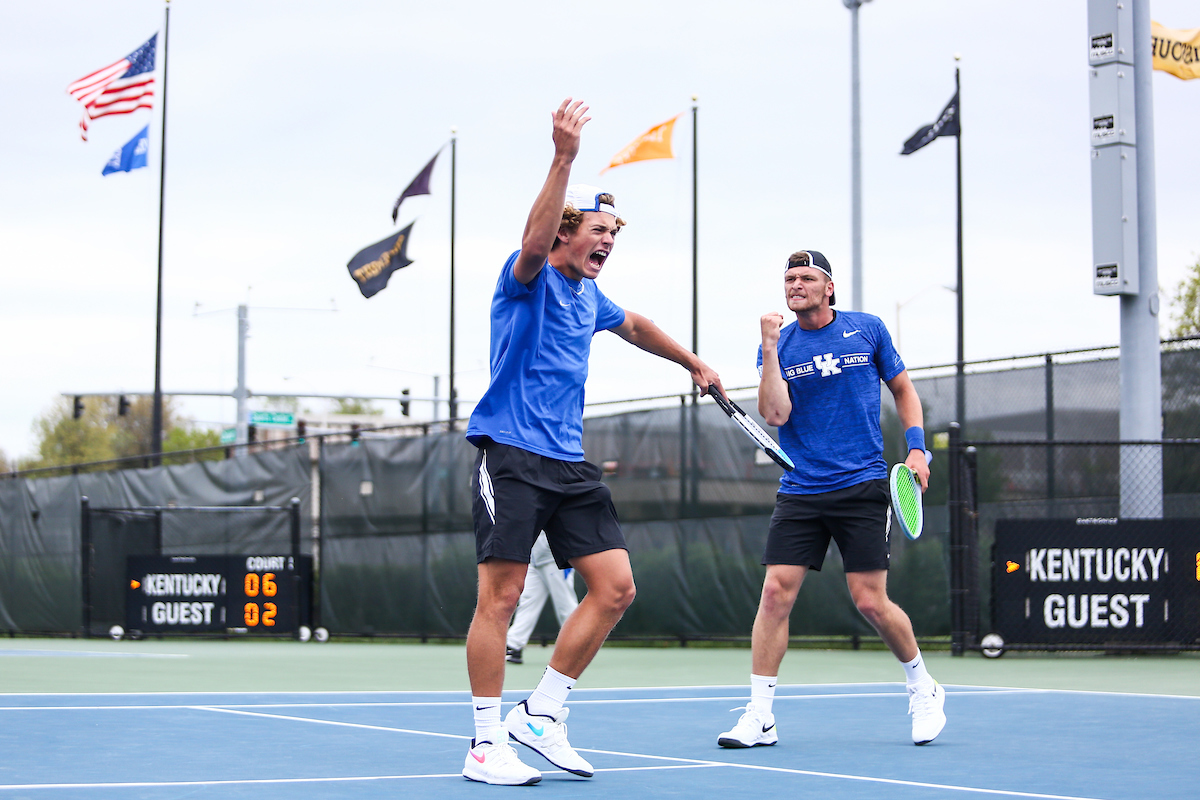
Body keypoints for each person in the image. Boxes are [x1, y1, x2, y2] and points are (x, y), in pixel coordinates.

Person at [462, 98, 724, 786]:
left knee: (615, 588)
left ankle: (541, 714)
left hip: (568, 464)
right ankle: (485, 744)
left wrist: (691, 361)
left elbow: (634, 324)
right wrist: (564, 157)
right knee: (501, 597)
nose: (608, 240)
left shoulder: (589, 297)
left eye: (614, 232)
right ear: (567, 231)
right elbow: (532, 243)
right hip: (510, 455)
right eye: (597, 229)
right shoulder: (527, 280)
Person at [716, 249, 946, 750]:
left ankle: (922, 686)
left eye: (806, 277)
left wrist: (916, 448)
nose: (795, 285)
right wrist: (769, 347)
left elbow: (904, 390)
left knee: (870, 601)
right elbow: (775, 414)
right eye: (789, 279)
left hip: (862, 484)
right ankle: (760, 716)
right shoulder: (778, 345)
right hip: (801, 487)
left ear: (829, 287)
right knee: (775, 594)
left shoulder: (867, 329)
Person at [505, 532, 579, 665]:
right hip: (533, 559)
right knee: (527, 602)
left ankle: (578, 646)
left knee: (565, 605)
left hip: (557, 558)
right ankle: (513, 645)